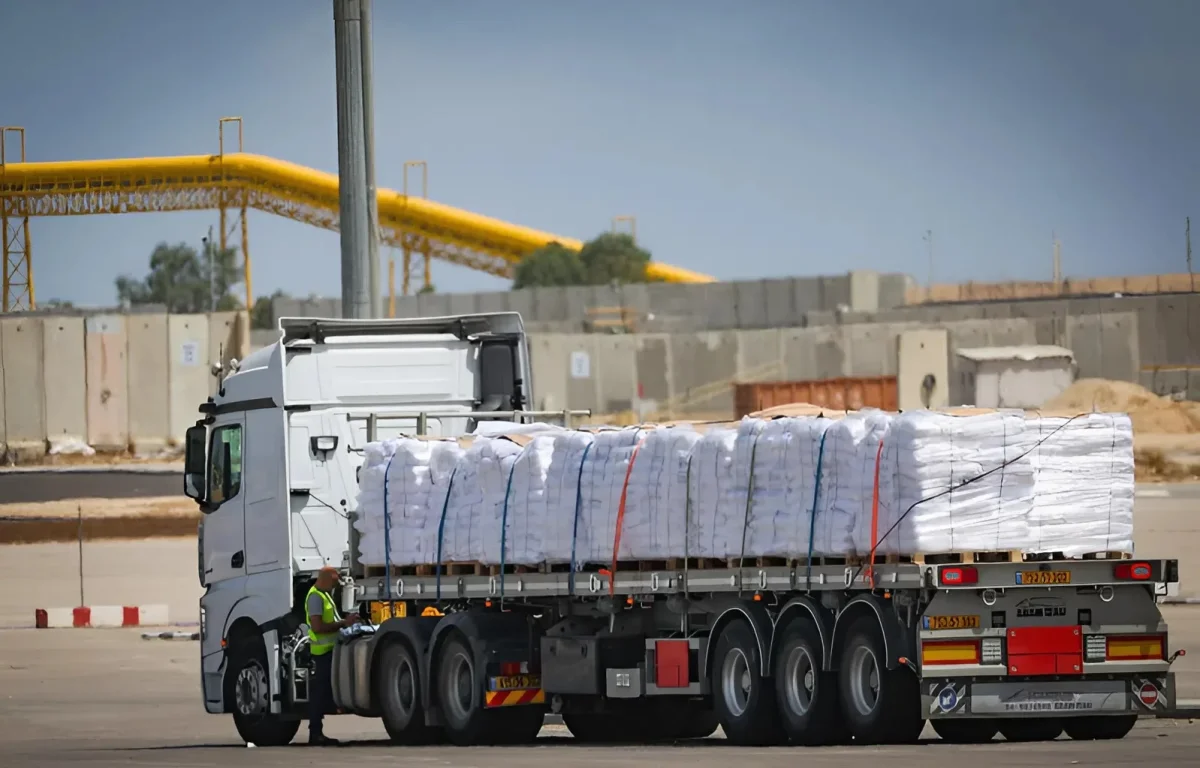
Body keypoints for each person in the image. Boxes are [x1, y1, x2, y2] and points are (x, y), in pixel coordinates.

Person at [305, 566, 359, 746]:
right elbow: (317, 627)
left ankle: (316, 732)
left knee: (322, 692)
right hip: (322, 652)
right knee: (319, 693)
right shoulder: (315, 597)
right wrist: (343, 623)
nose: (335, 585)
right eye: (334, 581)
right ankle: (315, 733)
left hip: (329, 650)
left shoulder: (324, 594)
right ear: (325, 579)